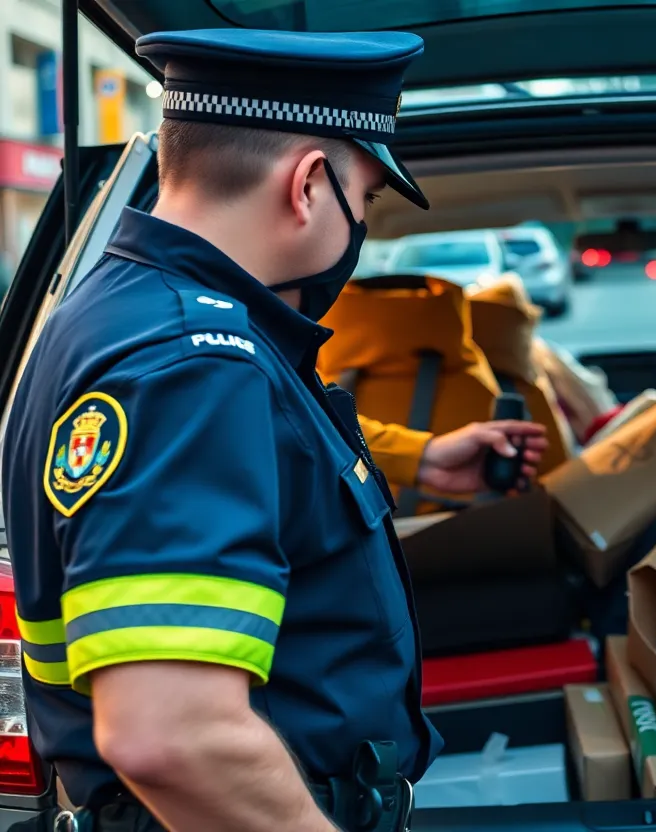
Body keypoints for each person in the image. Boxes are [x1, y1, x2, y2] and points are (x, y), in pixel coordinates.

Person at [1, 28, 546, 832]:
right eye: (365, 199)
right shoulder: (191, 363)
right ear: (309, 183)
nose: (359, 227)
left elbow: (272, 465)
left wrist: (424, 458)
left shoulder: (115, 314)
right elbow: (171, 735)